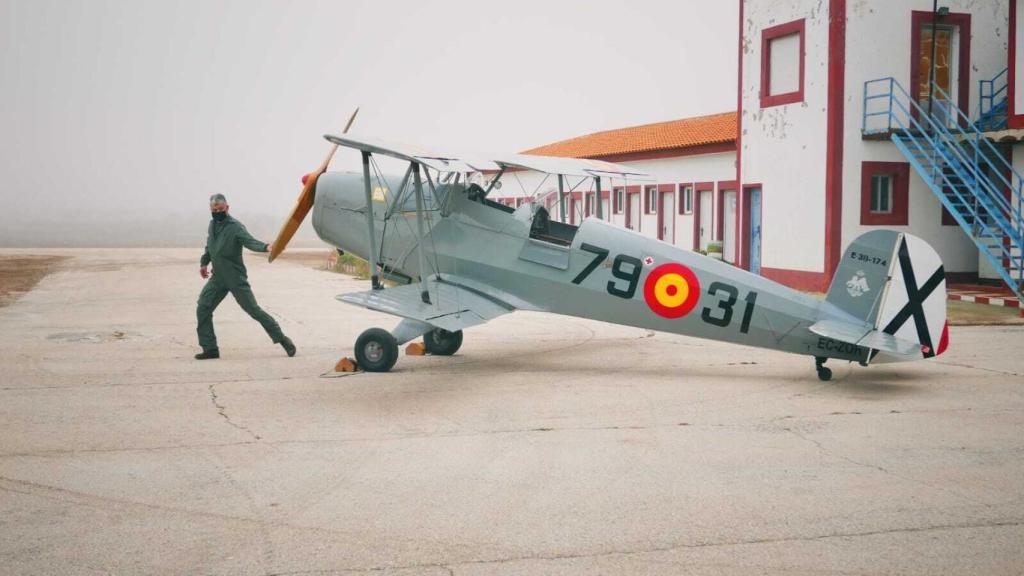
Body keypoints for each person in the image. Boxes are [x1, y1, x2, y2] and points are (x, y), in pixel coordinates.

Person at [195, 194, 296, 359]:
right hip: (218, 277)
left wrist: (266, 247)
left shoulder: (235, 227)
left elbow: (249, 241)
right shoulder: (212, 225)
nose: (217, 212)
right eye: (214, 210)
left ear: (227, 208)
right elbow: (210, 246)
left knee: (253, 310)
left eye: (220, 209)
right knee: (203, 308)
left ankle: (283, 340)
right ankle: (210, 349)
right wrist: (204, 263)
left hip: (235, 278)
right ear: (211, 210)